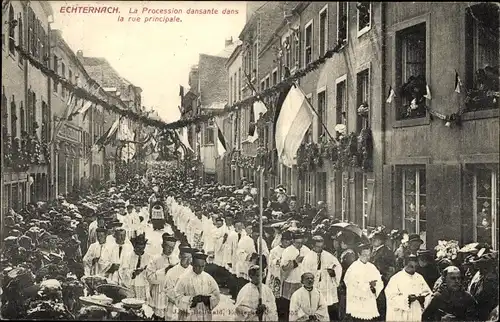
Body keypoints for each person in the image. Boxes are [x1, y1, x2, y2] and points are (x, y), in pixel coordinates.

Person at [302, 235, 342, 321]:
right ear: (312, 246)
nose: (319, 249)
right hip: (315, 286)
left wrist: (332, 272)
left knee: (329, 307)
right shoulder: (308, 257)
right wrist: (317, 274)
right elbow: (305, 273)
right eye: (317, 247)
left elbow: (338, 267)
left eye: (321, 246)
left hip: (327, 285)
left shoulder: (329, 256)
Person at [174, 252, 221, 321]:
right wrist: (191, 300)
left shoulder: (208, 278)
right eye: (197, 266)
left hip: (204, 312)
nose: (200, 269)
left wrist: (208, 299)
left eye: (202, 266)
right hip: (189, 314)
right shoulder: (184, 278)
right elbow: (177, 296)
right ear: (192, 264)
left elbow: (216, 294)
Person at [385, 255, 432, 321]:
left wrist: (423, 299)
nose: (414, 269)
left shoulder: (419, 277)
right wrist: (407, 299)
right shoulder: (396, 278)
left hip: (416, 311)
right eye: (411, 266)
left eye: (416, 267)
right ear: (405, 264)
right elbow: (390, 297)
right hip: (401, 314)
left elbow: (428, 294)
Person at [344, 243, 383, 321]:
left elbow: (379, 281)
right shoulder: (353, 267)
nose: (367, 257)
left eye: (369, 255)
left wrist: (374, 286)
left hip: (369, 301)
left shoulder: (372, 267)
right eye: (365, 255)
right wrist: (367, 285)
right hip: (357, 301)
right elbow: (350, 283)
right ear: (359, 254)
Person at [146, 233, 180, 319]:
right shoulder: (155, 259)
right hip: (158, 293)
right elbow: (150, 278)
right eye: (168, 246)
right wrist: (165, 271)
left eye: (172, 247)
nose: (170, 249)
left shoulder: (176, 260)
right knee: (158, 316)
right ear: (162, 245)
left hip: (171, 296)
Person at [281, 231, 311, 319]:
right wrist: (295, 262)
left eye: (301, 243)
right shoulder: (287, 251)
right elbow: (284, 268)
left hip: (302, 282)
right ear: (293, 241)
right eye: (297, 243)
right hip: (291, 281)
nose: (300, 245)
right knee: (290, 305)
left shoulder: (306, 250)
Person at [267, 230, 292, 321]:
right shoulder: (275, 250)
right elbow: (270, 263)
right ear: (282, 241)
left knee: (286, 298)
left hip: (287, 276)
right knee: (277, 297)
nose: (287, 243)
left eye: (289, 241)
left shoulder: (291, 250)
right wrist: (277, 261)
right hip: (277, 275)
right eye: (286, 241)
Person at [369, 231, 396, 320]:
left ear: (381, 240)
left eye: (376, 239)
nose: (373, 240)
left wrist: (383, 278)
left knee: (381, 305)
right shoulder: (372, 250)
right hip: (372, 281)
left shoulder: (386, 252)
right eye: (373, 239)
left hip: (382, 282)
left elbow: (391, 269)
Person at [163, 246, 193, 320]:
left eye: (190, 258)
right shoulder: (172, 272)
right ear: (180, 256)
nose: (188, 261)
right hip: (174, 307)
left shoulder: (193, 270)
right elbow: (168, 291)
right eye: (186, 258)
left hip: (190, 306)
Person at [119, 233, 152, 301]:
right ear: (134, 246)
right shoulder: (127, 257)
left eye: (142, 247)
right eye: (138, 247)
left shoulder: (149, 258)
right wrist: (133, 273)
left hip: (143, 287)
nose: (140, 250)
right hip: (130, 286)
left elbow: (151, 273)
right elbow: (123, 271)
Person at [467, 251, 499, 321]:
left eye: (482, 268)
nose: (480, 271)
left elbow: (484, 300)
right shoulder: (482, 276)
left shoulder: (491, 280)